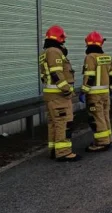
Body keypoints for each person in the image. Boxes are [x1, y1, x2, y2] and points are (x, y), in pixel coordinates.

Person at [39, 25, 81, 162]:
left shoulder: (46, 52)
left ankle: (54, 150)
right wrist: (67, 89)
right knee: (64, 122)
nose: (64, 40)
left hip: (52, 95)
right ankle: (63, 152)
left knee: (54, 123)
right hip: (59, 96)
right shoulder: (54, 51)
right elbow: (56, 74)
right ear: (58, 37)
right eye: (63, 37)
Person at [79, 31, 112, 152]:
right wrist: (111, 88)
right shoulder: (107, 57)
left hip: (94, 95)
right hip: (105, 93)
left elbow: (89, 77)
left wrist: (83, 91)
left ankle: (101, 142)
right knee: (105, 116)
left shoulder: (90, 57)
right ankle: (108, 138)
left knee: (96, 118)